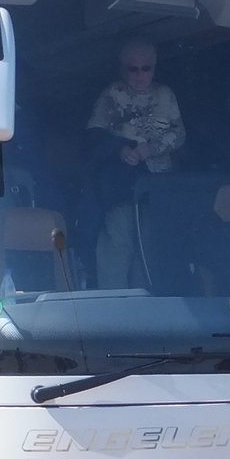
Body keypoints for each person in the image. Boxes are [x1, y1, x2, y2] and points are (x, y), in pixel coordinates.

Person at [78, 36, 186, 288]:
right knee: (117, 246)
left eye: (145, 68)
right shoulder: (111, 95)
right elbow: (93, 137)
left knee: (151, 250)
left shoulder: (165, 95)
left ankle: (148, 310)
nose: (139, 74)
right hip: (122, 190)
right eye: (133, 68)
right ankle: (113, 310)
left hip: (159, 187)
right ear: (122, 68)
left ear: (154, 68)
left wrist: (152, 148)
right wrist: (121, 150)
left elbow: (179, 133)